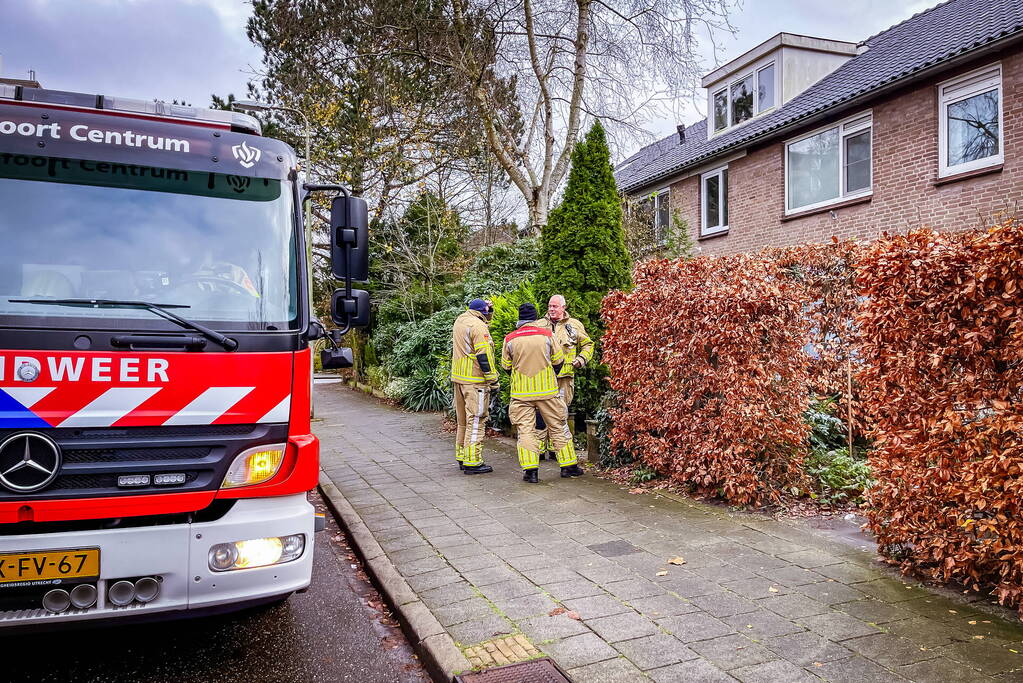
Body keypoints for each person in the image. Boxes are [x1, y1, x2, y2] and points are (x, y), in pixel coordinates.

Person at [501, 303, 584, 483]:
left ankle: (531, 472)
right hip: (548, 392)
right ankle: (569, 467)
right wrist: (550, 375)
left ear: (519, 319)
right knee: (558, 426)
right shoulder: (547, 335)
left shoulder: (510, 339)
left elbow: (506, 367)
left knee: (526, 431)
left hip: (521, 394)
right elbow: (559, 361)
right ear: (536, 317)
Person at [535, 294, 594, 457]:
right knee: (540, 413)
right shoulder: (540, 325)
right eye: (549, 306)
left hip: (565, 378)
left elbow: (588, 345)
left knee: (560, 414)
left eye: (555, 306)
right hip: (544, 377)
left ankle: (556, 449)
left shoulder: (574, 325)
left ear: (563, 307)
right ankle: (539, 450)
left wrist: (581, 359)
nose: (551, 309)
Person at [450, 299, 498, 474]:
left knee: (463, 421)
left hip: (459, 379)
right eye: (488, 311)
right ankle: (473, 462)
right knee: (477, 419)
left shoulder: (461, 320)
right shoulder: (479, 326)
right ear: (483, 312)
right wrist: (493, 379)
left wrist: (487, 308)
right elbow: (483, 356)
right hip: (475, 381)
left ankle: (463, 456)